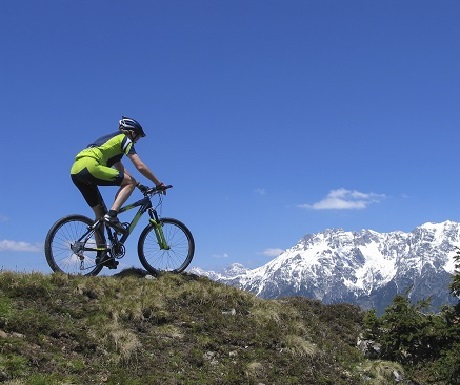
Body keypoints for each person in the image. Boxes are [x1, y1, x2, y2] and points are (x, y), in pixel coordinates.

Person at [71, 116, 166, 237]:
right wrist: (158, 183)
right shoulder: (125, 139)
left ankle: (102, 254)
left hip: (76, 171)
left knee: (100, 216)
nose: (136, 141)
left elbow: (121, 170)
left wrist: (139, 185)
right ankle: (112, 215)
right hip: (90, 166)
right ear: (132, 132)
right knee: (128, 185)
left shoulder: (111, 142)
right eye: (138, 137)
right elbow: (140, 166)